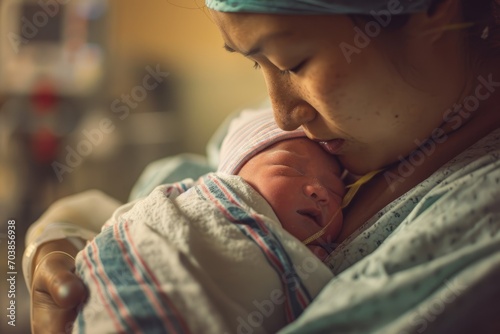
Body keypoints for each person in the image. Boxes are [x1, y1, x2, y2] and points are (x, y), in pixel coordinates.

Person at [25, 0, 500, 333]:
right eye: (258, 65)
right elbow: (158, 200)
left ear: (434, 6)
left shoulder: (477, 228)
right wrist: (51, 240)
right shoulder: (291, 143)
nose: (282, 113)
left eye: (293, 62)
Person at [71, 108, 344, 333]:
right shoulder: (197, 196)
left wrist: (306, 265)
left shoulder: (308, 264)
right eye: (290, 167)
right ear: (235, 174)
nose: (319, 190)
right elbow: (127, 223)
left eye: (336, 191)